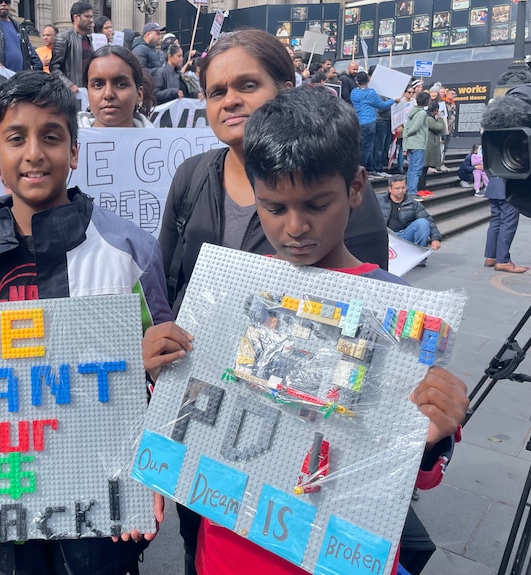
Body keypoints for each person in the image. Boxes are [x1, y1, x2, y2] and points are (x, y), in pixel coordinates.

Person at [0, 69, 176, 575]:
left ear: (74, 152)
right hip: (2, 501)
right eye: (16, 138)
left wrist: (152, 464)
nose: (34, 153)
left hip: (103, 507)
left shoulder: (129, 251)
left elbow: (162, 377)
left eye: (51, 137)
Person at [197, 85, 467, 575]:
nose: (295, 227)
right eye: (274, 208)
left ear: (357, 187)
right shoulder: (233, 292)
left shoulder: (399, 317)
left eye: (316, 204)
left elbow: (420, 479)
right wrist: (167, 366)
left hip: (335, 553)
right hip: (227, 550)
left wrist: (431, 436)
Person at [158, 30, 390, 574]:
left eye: (247, 84)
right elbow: (171, 286)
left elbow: (371, 320)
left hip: (310, 460)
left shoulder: (352, 205)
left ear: (286, 89)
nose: (296, 226)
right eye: (216, 91)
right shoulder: (193, 177)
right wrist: (167, 356)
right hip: (216, 437)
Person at [79, 44, 154, 128]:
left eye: (121, 85)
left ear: (139, 94)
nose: (108, 94)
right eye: (98, 85)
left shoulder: (163, 140)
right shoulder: (69, 140)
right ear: (88, 94)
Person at [0, 0, 41, 73]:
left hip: (19, 79)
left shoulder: (19, 27)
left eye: (7, 1)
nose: (3, 4)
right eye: (0, 1)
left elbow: (28, 53)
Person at [378, 175, 442, 249]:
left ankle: (419, 253)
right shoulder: (379, 200)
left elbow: (428, 220)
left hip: (404, 235)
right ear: (390, 189)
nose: (401, 191)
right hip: (386, 236)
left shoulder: (412, 203)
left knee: (423, 223)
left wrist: (435, 239)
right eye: (397, 188)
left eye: (403, 187)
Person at [350, 70, 395, 174]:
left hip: (357, 122)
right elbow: (382, 105)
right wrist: (393, 100)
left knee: (358, 147)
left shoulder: (354, 92)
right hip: (369, 122)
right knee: (367, 148)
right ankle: (362, 168)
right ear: (368, 80)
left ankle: (357, 167)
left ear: (357, 81)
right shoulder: (371, 93)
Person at [484, 177, 527, 273]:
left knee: (496, 221)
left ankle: (491, 257)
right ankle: (503, 261)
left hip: (494, 185)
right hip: (509, 187)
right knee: (508, 223)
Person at [49, 1, 94, 92]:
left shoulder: (89, 40)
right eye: (87, 16)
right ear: (76, 17)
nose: (91, 20)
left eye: (91, 16)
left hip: (87, 91)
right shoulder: (63, 37)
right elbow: (54, 68)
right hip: (72, 93)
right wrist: (69, 85)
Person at [403, 91, 430, 198]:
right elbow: (415, 127)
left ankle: (410, 190)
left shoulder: (412, 111)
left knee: (411, 169)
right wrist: (409, 132)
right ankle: (412, 192)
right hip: (418, 143)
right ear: (426, 101)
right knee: (416, 169)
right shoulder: (422, 113)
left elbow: (408, 127)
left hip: (410, 143)